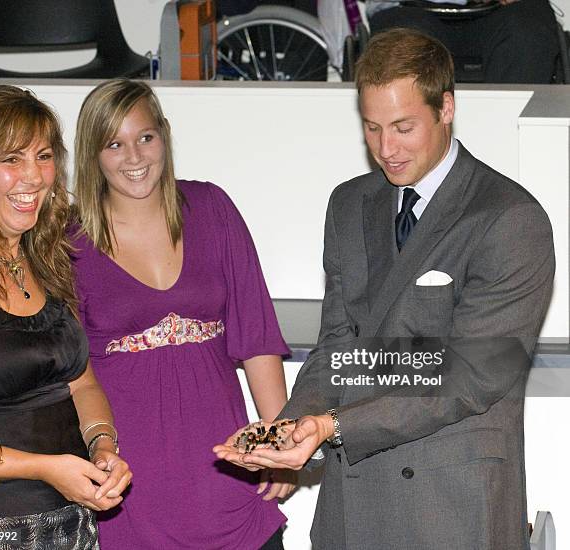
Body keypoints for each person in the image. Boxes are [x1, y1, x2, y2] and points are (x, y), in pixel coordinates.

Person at [215, 28, 555, 550]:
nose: (386, 149)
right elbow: (337, 347)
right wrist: (284, 431)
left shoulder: (508, 217)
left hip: (452, 504)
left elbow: (469, 374)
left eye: (403, 127)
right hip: (356, 496)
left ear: (446, 108)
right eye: (372, 129)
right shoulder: (349, 204)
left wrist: (329, 426)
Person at [70, 79, 292, 550]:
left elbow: (258, 338)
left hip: (226, 474)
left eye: (145, 137)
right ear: (93, 153)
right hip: (128, 488)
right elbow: (70, 375)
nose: (134, 157)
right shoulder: (67, 242)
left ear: (165, 135)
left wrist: (279, 446)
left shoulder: (212, 208)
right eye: (114, 144)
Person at [0, 85, 132, 548]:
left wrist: (102, 447)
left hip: (71, 525)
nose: (33, 176)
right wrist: (44, 467)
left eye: (43, 155)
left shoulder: (48, 261)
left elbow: (83, 383)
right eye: (11, 159)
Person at [366, 0, 560, 83]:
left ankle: (506, 145)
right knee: (404, 41)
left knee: (528, 30)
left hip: (503, 14)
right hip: (409, 11)